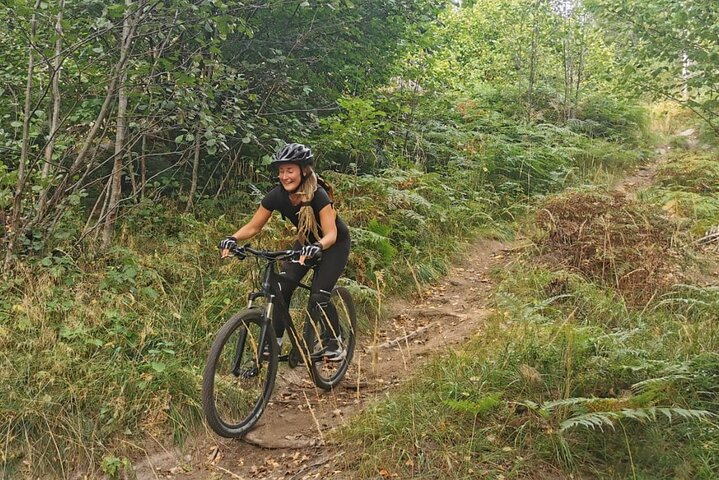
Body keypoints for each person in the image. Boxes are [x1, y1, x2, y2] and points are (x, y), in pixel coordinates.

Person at [218, 143, 351, 360]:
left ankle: (334, 342)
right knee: (281, 288)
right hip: (305, 242)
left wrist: (317, 247)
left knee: (319, 296)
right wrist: (232, 238)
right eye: (281, 171)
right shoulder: (277, 196)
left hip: (333, 246)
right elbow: (254, 226)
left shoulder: (318, 195)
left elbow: (331, 234)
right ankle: (274, 343)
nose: (284, 176)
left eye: (290, 170)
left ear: (304, 170)